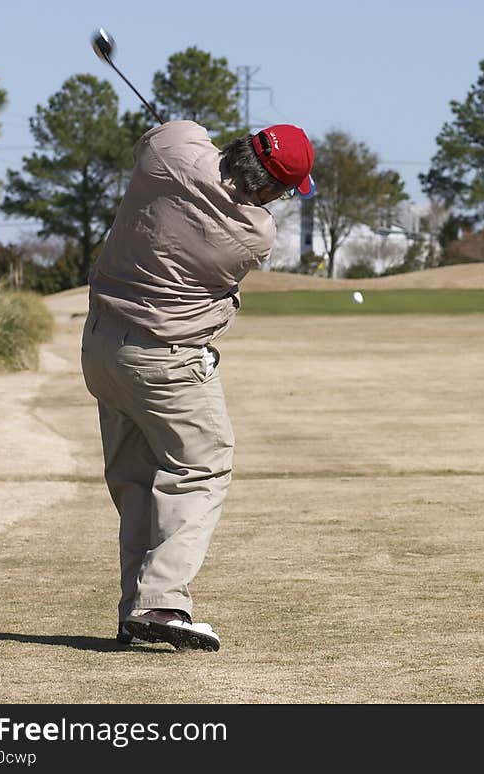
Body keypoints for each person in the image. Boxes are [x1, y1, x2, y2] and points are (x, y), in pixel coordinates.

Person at [80, 120, 314, 651]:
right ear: (272, 190)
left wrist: (189, 143)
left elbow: (163, 137)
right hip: (166, 362)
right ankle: (161, 604)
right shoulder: (256, 235)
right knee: (202, 466)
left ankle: (134, 612)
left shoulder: (174, 145)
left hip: (101, 347)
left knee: (137, 479)